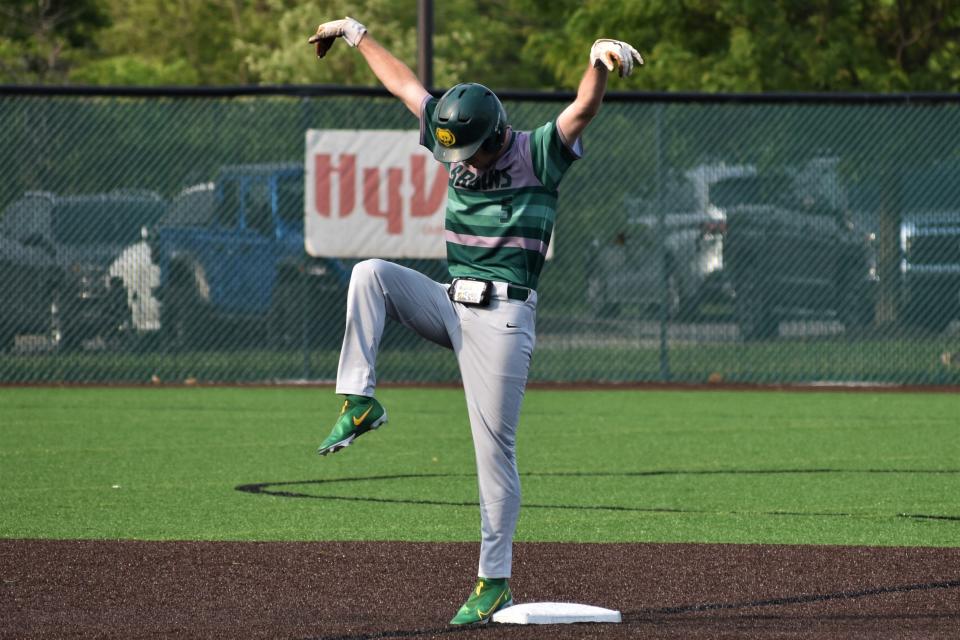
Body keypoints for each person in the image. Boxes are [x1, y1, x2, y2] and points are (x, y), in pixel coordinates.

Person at [309, 16, 643, 625]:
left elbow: (583, 110)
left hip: (503, 318)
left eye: (470, 148)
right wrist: (356, 34)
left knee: (493, 454)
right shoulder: (452, 131)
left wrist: (597, 59)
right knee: (369, 274)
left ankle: (494, 581)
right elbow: (405, 85)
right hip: (448, 299)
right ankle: (359, 401)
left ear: (497, 131)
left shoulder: (538, 152)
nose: (459, 158)